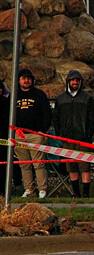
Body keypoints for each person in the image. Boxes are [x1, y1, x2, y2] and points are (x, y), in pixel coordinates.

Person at [53, 69, 94, 198]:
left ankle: (85, 194)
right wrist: (60, 134)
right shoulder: (61, 99)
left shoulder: (87, 98)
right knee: (71, 167)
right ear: (68, 81)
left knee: (84, 167)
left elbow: (92, 119)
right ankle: (76, 194)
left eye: (77, 80)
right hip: (67, 139)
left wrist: (88, 135)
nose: (75, 82)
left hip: (83, 139)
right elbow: (56, 118)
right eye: (73, 80)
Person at [13, 68, 52, 198]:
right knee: (24, 165)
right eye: (23, 78)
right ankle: (29, 189)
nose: (26, 80)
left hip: (36, 135)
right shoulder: (14, 95)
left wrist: (42, 131)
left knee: (38, 164)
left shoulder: (39, 94)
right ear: (18, 80)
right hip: (19, 135)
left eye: (29, 78)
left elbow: (47, 114)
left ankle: (42, 189)